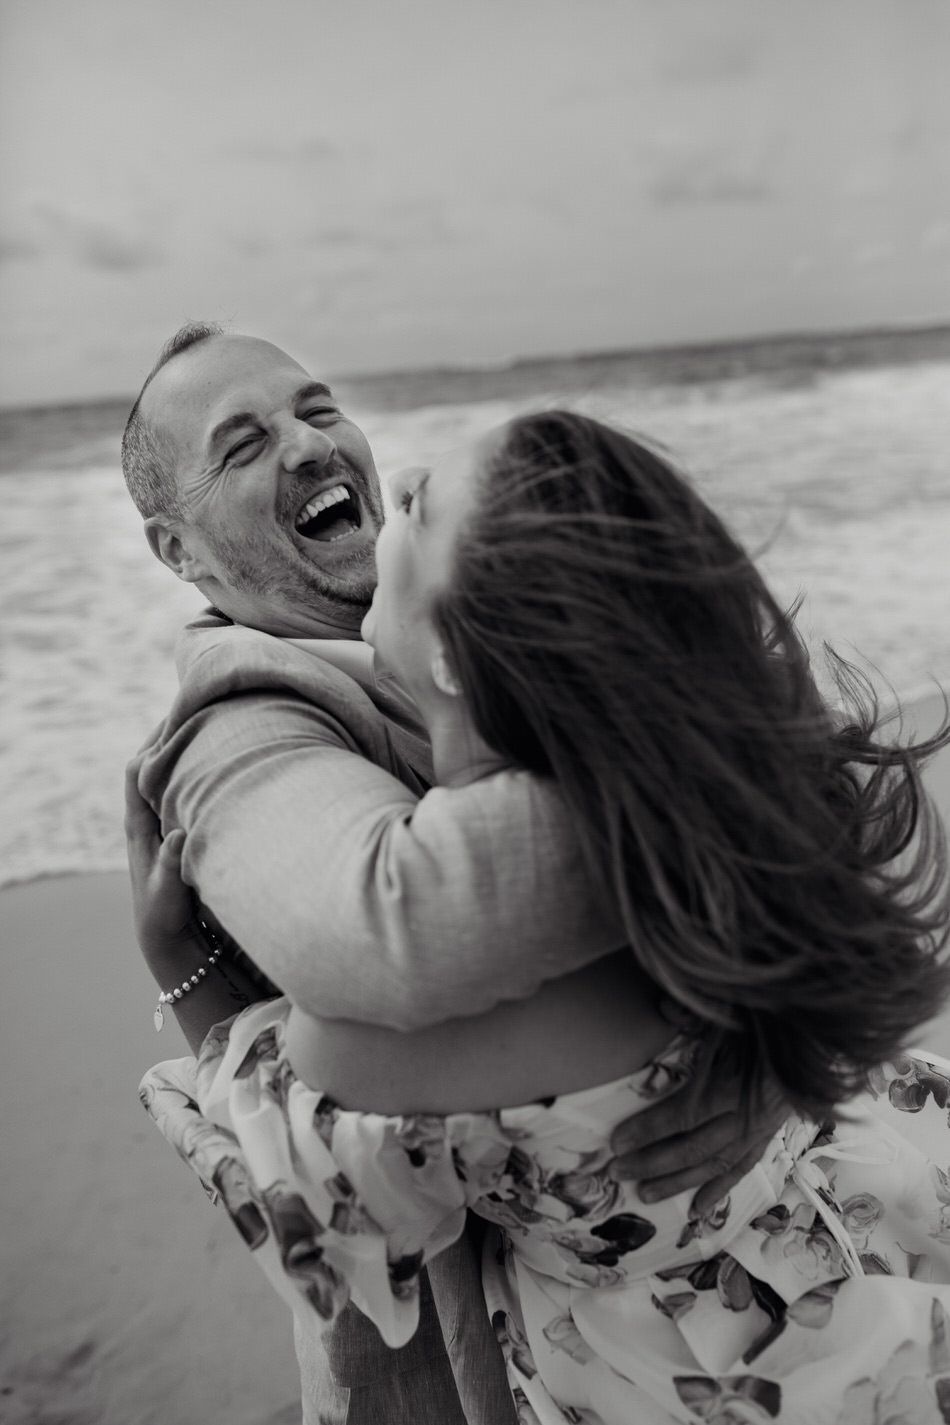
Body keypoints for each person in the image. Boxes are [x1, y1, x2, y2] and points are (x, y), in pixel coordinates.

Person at [135, 394, 950, 1417]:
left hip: (684, 1374)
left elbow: (316, 1197)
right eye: (241, 445)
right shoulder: (706, 885)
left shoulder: (475, 1007)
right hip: (865, 1231)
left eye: (428, 509)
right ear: (176, 546)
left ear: (453, 659)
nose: (398, 481)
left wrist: (178, 962)